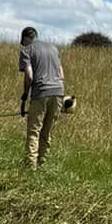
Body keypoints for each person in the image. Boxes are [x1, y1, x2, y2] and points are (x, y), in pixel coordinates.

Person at [17, 26, 65, 170]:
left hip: (41, 93)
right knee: (47, 131)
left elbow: (29, 76)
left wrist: (25, 96)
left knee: (34, 131)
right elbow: (61, 74)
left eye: (23, 42)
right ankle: (42, 163)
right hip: (58, 92)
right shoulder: (53, 48)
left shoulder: (27, 50)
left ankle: (30, 168)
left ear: (26, 38)